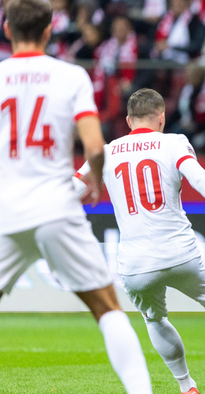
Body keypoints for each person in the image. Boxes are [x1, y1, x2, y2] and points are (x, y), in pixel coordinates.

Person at [73, 89, 205, 394]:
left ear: (129, 120)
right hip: (180, 252)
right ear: (161, 117)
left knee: (154, 318)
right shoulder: (173, 142)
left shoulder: (106, 151)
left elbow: (70, 191)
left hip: (134, 264)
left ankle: (187, 388)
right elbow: (199, 178)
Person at [0, 1, 152, 393]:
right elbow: (95, 148)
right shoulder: (71, 77)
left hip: (6, 210)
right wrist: (96, 182)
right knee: (106, 308)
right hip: (55, 206)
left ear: (6, 29)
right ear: (50, 31)